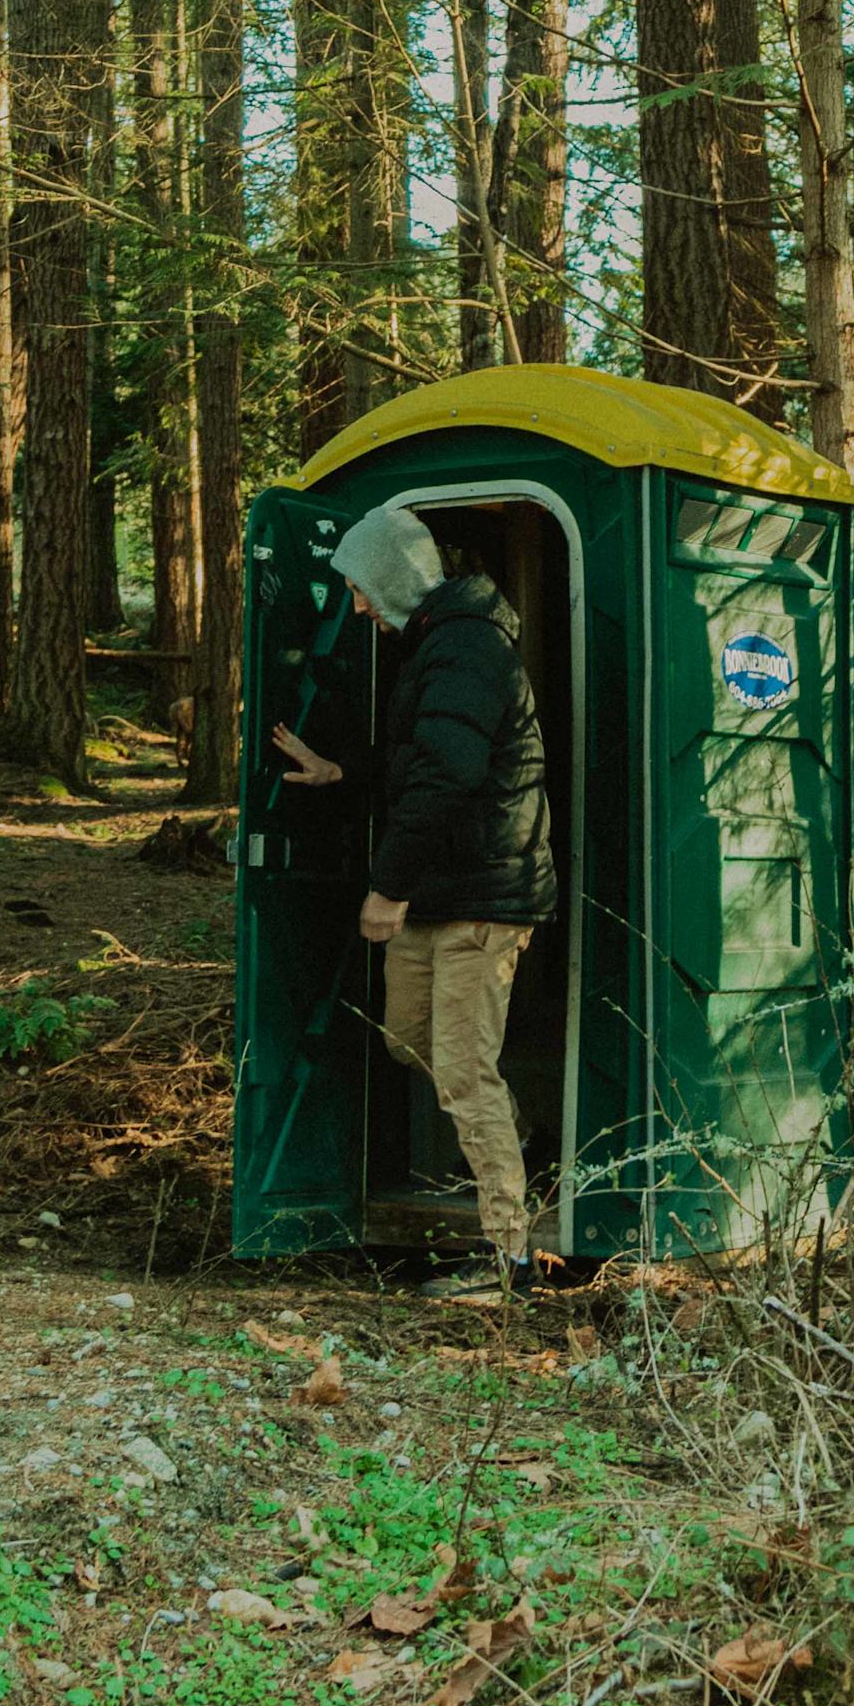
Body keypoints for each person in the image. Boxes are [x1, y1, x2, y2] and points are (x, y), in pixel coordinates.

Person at [268, 501, 558, 1301]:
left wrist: (386, 887)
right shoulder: (435, 642)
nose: (357, 605)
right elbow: (426, 754)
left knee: (462, 1071)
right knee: (407, 1041)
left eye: (362, 587)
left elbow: (447, 776)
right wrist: (341, 772)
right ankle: (520, 1141)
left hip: (483, 897)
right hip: (442, 890)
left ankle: (509, 1259)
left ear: (394, 579)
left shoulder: (467, 645)